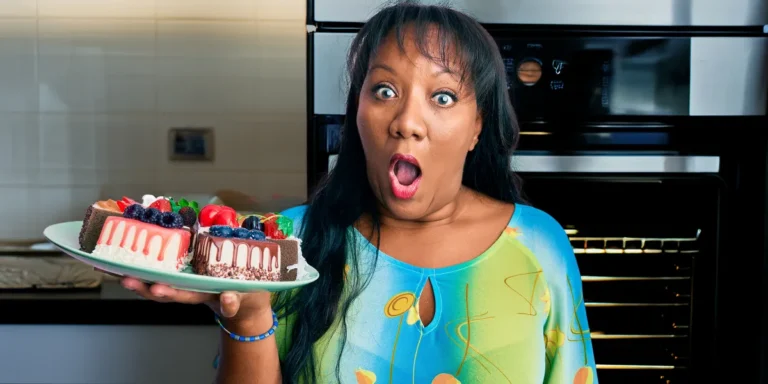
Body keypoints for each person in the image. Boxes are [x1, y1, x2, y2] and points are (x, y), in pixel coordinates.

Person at [121, 2, 598, 383]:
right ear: (357, 113)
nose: (407, 122)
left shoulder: (539, 245)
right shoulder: (290, 244)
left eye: (443, 97)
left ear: (477, 126)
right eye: (385, 91)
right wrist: (246, 320)